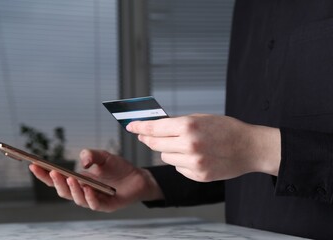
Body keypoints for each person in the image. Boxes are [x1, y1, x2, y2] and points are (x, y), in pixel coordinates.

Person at [30, 1, 333, 239]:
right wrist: (147, 182)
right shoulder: (247, 8)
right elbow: (244, 164)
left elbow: (251, 149)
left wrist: (253, 146)